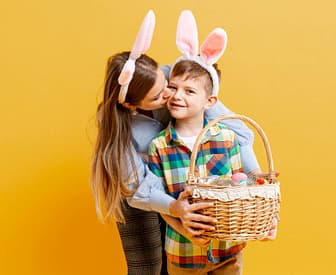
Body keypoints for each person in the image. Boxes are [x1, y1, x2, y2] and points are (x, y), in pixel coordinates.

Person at [90, 10, 261, 275]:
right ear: (131, 105)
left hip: (178, 180)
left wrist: (256, 180)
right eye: (161, 94)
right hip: (140, 194)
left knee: (178, 259)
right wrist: (177, 215)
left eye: (166, 82)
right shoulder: (118, 125)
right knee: (147, 267)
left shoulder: (175, 79)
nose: (172, 94)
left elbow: (233, 129)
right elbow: (136, 185)